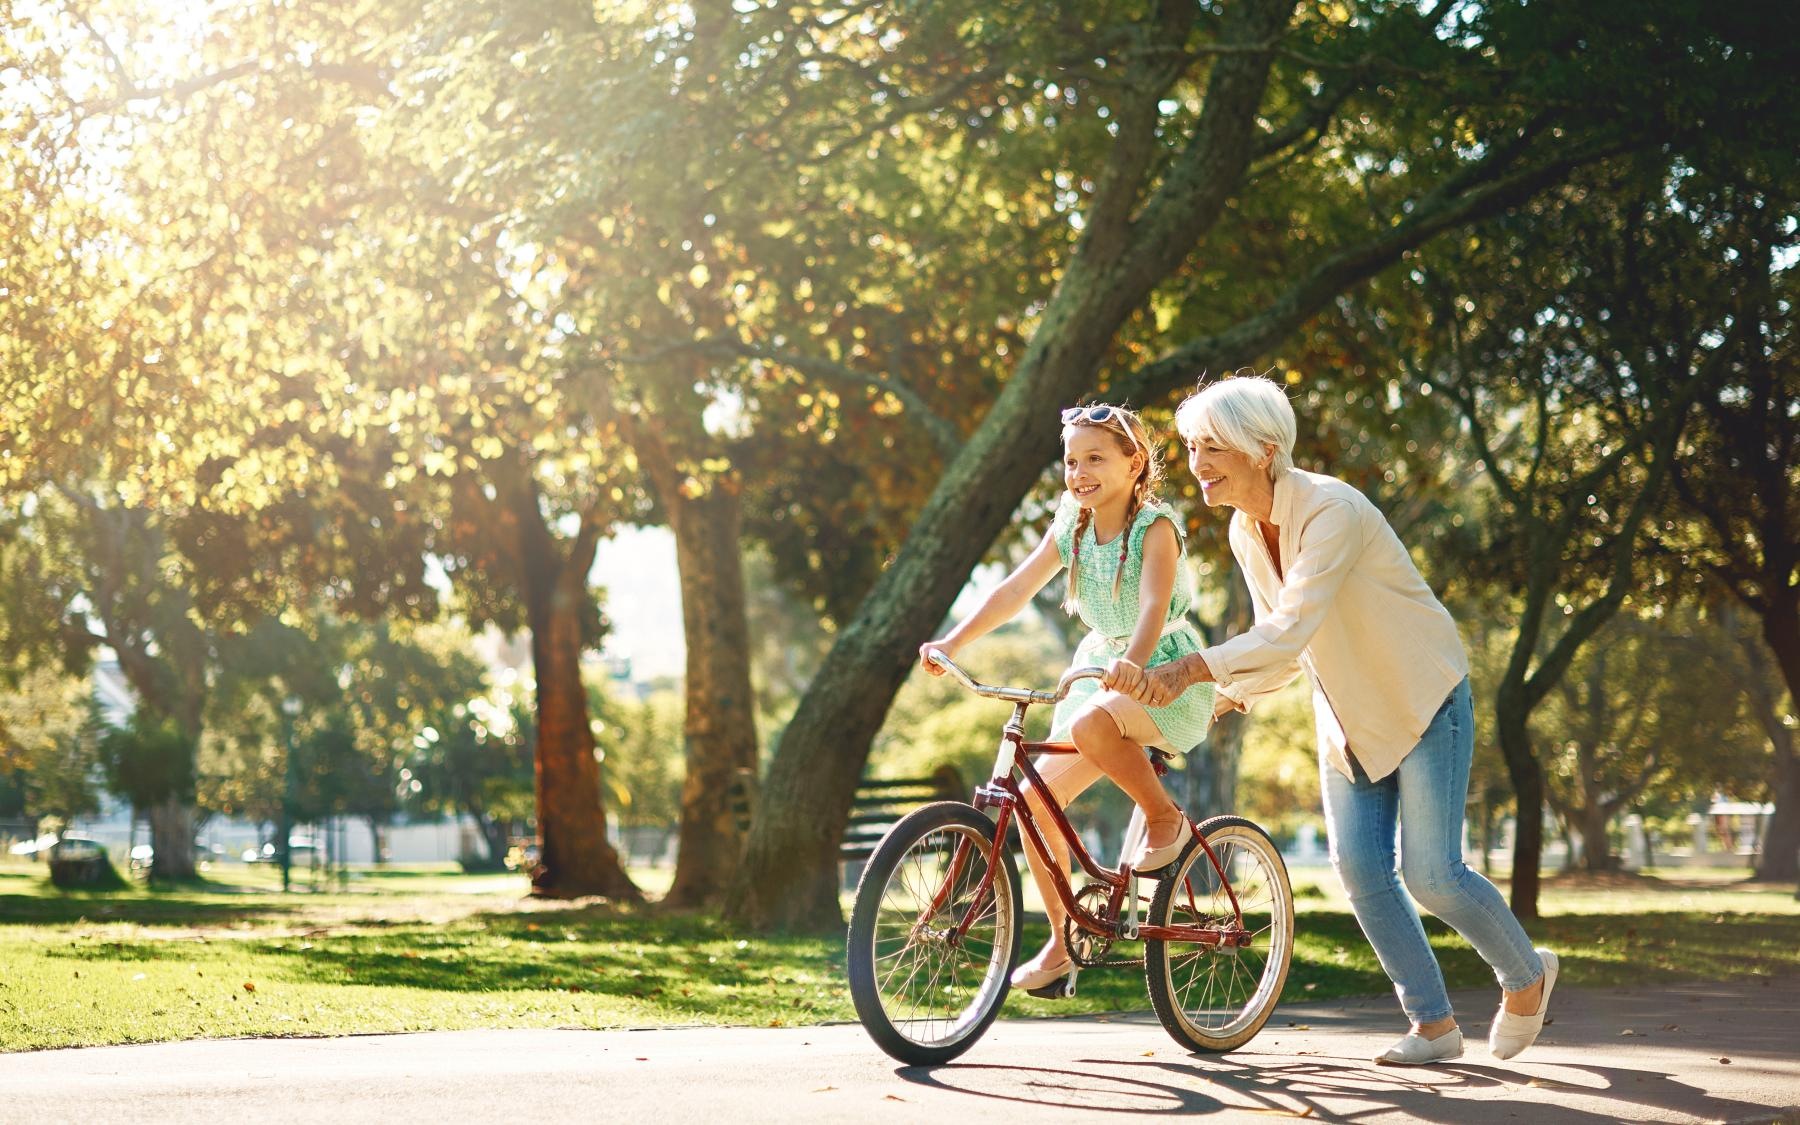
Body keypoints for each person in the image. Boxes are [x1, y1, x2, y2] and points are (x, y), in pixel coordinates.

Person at [1132, 374, 1556, 1066]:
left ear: (1263, 448)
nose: (1196, 463)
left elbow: (1288, 629)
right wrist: (1215, 699)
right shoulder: (1247, 529)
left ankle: (1527, 976)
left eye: (1212, 446)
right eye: (1189, 446)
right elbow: (1283, 643)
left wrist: (1185, 670)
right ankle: (1433, 1025)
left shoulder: (1332, 509)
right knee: (1359, 867)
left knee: (1434, 874)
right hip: (1349, 714)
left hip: (1421, 695)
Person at [919, 403, 1216, 994]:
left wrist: (1132, 662)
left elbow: (1155, 605)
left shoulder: (1155, 526)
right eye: (1071, 461)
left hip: (1162, 670)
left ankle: (1166, 819)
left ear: (1135, 464)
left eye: (1096, 459)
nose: (1080, 472)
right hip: (1103, 665)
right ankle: (1064, 942)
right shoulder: (1073, 525)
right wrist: (953, 640)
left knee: (1090, 729)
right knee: (1032, 803)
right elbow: (1014, 590)